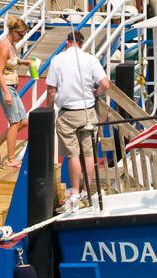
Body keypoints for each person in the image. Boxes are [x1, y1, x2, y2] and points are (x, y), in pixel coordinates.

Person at [45, 30, 110, 210]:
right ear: (81, 44)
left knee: (73, 154)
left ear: (67, 43)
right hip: (88, 111)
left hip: (68, 113)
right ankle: (86, 191)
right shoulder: (90, 59)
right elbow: (105, 84)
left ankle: (73, 193)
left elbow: (51, 90)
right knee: (88, 153)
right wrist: (97, 93)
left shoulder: (57, 60)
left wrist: (49, 110)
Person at [0, 16, 33, 168]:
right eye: (20, 34)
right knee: (15, 122)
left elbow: (12, 60)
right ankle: (11, 159)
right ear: (13, 31)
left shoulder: (11, 45)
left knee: (24, 120)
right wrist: (6, 93)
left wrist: (24, 62)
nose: (21, 38)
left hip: (11, 86)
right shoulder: (4, 47)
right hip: (5, 87)